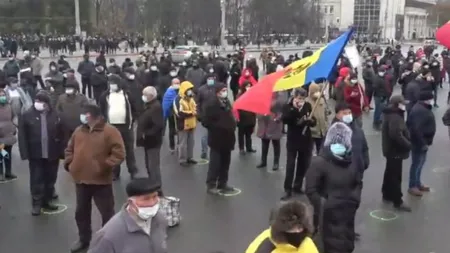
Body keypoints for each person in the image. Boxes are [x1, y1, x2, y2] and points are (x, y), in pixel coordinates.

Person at [64, 104, 125, 253]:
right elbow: (69, 149)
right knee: (81, 212)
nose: (82, 117)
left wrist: (104, 166)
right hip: (81, 180)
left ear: (92, 115)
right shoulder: (79, 131)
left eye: (85, 114)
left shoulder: (110, 131)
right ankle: (83, 239)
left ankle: (108, 242)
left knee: (107, 213)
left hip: (101, 181)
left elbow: (119, 153)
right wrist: (70, 164)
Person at [306, 122, 361, 253]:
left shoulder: (351, 162)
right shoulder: (319, 163)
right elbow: (311, 189)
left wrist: (355, 200)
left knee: (346, 243)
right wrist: (325, 205)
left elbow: (358, 182)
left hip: (347, 214)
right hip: (326, 217)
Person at [87, 178, 168, 253]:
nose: (152, 203)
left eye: (154, 196)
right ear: (131, 202)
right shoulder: (108, 236)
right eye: (146, 199)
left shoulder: (160, 219)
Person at [18, 90, 63, 216]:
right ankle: (36, 204)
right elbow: (22, 136)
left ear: (47, 103)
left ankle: (47, 201)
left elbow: (61, 134)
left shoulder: (55, 115)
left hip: (52, 154)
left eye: (40, 101)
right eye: (36, 101)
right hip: (36, 154)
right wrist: (25, 153)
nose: (37, 103)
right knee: (37, 180)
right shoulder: (27, 115)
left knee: (50, 180)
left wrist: (62, 152)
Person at [99, 74, 139, 180]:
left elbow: (135, 108)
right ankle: (114, 172)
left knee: (129, 149)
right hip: (112, 127)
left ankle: (133, 171)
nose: (112, 86)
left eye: (114, 83)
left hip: (126, 126)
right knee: (114, 149)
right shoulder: (105, 96)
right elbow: (101, 109)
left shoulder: (127, 94)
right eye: (110, 83)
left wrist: (133, 120)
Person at [245, 200, 318, 253]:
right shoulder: (265, 246)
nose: (299, 230)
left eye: (300, 227)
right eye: (295, 227)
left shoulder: (306, 242)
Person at [203, 83, 237, 195]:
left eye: (225, 90)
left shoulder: (226, 102)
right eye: (222, 90)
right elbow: (206, 121)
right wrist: (219, 126)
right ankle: (211, 184)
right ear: (217, 92)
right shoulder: (211, 104)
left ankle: (223, 183)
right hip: (217, 139)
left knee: (225, 163)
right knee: (215, 163)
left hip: (228, 138)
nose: (225, 92)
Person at [381, 95, 412, 211]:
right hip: (395, 150)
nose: (404, 106)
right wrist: (408, 144)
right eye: (402, 103)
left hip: (390, 149)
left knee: (389, 172)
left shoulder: (390, 114)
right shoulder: (395, 117)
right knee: (395, 175)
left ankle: (387, 193)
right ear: (396, 104)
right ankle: (397, 200)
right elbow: (396, 134)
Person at [407, 91, 436, 196]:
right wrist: (422, 143)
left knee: (420, 163)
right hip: (419, 143)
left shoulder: (423, 108)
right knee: (416, 164)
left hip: (423, 142)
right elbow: (415, 129)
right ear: (426, 100)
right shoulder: (420, 110)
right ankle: (412, 186)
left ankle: (417, 183)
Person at [137, 86, 164, 185]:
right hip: (148, 142)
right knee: (149, 165)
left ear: (151, 96)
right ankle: (153, 185)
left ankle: (157, 188)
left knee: (153, 167)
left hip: (153, 142)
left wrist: (146, 134)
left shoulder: (155, 107)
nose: (143, 97)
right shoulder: (149, 105)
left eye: (145, 95)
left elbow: (158, 125)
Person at [256, 92, 286, 171]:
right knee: (264, 143)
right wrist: (260, 114)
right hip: (264, 123)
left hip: (274, 123)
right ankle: (263, 161)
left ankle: (276, 162)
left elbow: (282, 111)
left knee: (276, 143)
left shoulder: (280, 98)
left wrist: (277, 118)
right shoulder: (263, 96)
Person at [56, 79, 89, 148]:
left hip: (78, 125)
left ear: (75, 89)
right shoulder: (61, 97)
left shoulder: (82, 98)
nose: (68, 90)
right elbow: (58, 108)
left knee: (80, 142)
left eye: (70, 88)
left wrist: (83, 118)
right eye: (67, 88)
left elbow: (87, 109)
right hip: (65, 125)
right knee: (67, 142)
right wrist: (61, 116)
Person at [173, 81, 198, 166]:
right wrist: (191, 113)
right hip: (182, 124)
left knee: (191, 141)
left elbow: (195, 107)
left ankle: (190, 157)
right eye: (188, 89)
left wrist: (194, 112)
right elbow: (179, 113)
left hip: (191, 123)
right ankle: (182, 160)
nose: (190, 91)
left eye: (191, 89)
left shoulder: (191, 98)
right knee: (182, 143)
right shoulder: (178, 100)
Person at [306, 83, 328, 154]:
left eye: (318, 91)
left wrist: (326, 124)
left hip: (322, 130)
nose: (317, 93)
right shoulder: (306, 102)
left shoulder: (321, 100)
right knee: (309, 150)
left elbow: (325, 113)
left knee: (321, 150)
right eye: (315, 92)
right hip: (312, 132)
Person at [0, 89, 17, 181]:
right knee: (1, 154)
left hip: (9, 135)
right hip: (0, 137)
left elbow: (14, 117)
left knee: (8, 155)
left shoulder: (9, 106)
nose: (2, 97)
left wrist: (14, 127)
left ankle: (8, 172)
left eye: (3, 95)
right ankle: (0, 173)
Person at [236, 82, 256, 154]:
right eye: (247, 86)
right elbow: (237, 107)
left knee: (248, 134)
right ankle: (241, 148)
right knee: (241, 134)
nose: (248, 87)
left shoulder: (252, 95)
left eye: (250, 86)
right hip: (242, 118)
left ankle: (249, 147)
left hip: (250, 118)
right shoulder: (240, 95)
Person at [162, 78, 181, 152]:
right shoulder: (169, 92)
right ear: (172, 84)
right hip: (171, 113)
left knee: (180, 129)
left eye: (178, 83)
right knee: (172, 130)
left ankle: (179, 145)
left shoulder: (180, 90)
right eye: (175, 83)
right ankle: (172, 146)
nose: (177, 84)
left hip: (179, 113)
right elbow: (166, 104)